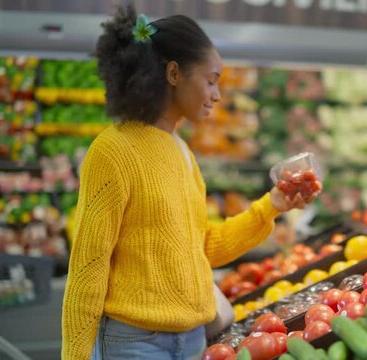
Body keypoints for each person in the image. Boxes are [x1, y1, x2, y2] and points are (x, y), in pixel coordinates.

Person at [61, 6, 320, 359]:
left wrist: (272, 204)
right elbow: (87, 268)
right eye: (211, 80)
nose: (217, 95)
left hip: (193, 340)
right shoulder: (113, 151)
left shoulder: (182, 151)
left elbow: (203, 248)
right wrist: (76, 354)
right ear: (173, 73)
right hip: (135, 344)